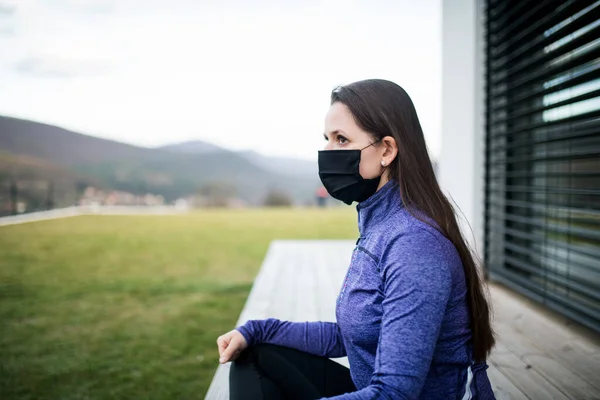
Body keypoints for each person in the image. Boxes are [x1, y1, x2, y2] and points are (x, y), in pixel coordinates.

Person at [216, 79, 496, 399]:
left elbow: (395, 393)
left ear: (387, 150)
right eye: (327, 139)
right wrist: (256, 330)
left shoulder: (414, 246)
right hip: (368, 389)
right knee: (255, 354)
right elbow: (355, 335)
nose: (327, 151)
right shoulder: (382, 226)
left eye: (342, 139)